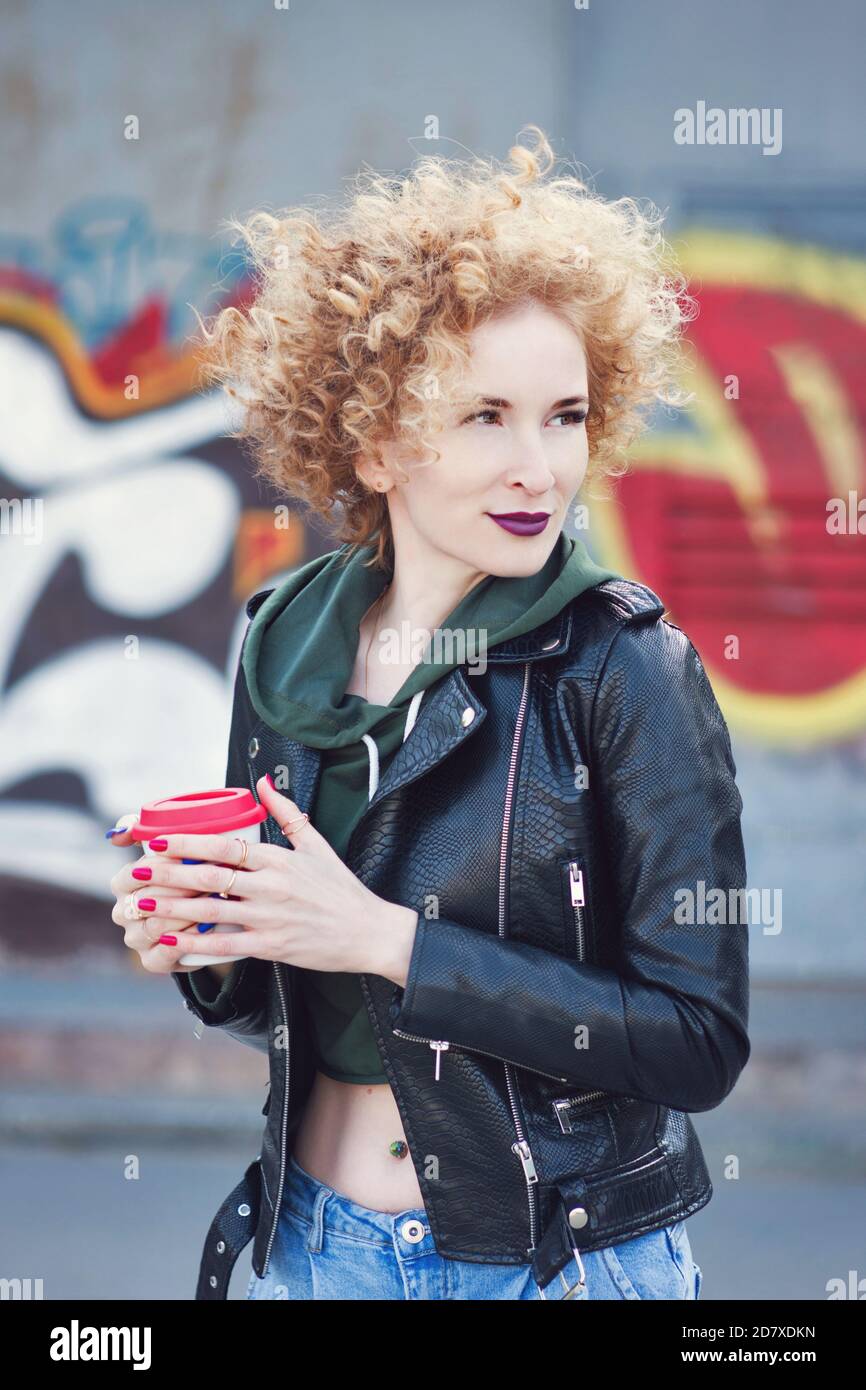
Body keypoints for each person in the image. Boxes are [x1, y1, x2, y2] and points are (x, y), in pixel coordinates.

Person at [108, 126, 748, 1300]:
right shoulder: (284, 640)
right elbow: (297, 999)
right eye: (484, 416)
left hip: (556, 1259)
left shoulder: (624, 667)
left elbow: (695, 1039)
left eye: (565, 415)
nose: (539, 468)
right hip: (313, 1247)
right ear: (375, 438)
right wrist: (204, 943)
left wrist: (387, 941)